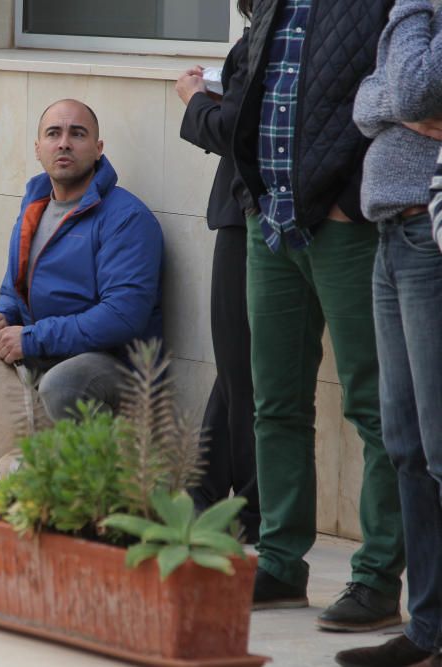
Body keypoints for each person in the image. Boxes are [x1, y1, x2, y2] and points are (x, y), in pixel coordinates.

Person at [228, 0, 405, 630]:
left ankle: (378, 578)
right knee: (274, 402)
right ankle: (279, 564)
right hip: (268, 220)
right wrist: (252, 192)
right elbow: (252, 78)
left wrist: (351, 201)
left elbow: (404, 84)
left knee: (377, 407)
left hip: (345, 226)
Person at [333, 1, 442, 664]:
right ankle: (427, 630)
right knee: (403, 442)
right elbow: (367, 103)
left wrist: (412, 7)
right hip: (390, 240)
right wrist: (392, 101)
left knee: (438, 445)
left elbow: (408, 91)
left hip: (431, 239)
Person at [0, 98, 164, 420]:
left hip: (109, 361)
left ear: (98, 147)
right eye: (53, 133)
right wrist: (3, 315)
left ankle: (88, 470)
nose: (63, 143)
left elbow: (123, 316)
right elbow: (12, 290)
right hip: (41, 347)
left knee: (63, 383)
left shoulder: (127, 218)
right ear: (38, 147)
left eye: (77, 134)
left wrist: (32, 339)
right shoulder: (34, 206)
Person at [174, 0, 259, 543]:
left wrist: (194, 102)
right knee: (237, 367)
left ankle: (249, 515)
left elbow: (237, 130)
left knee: (249, 374)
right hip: (244, 211)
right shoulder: (265, 32)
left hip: (253, 215)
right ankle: (206, 501)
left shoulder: (274, 32)